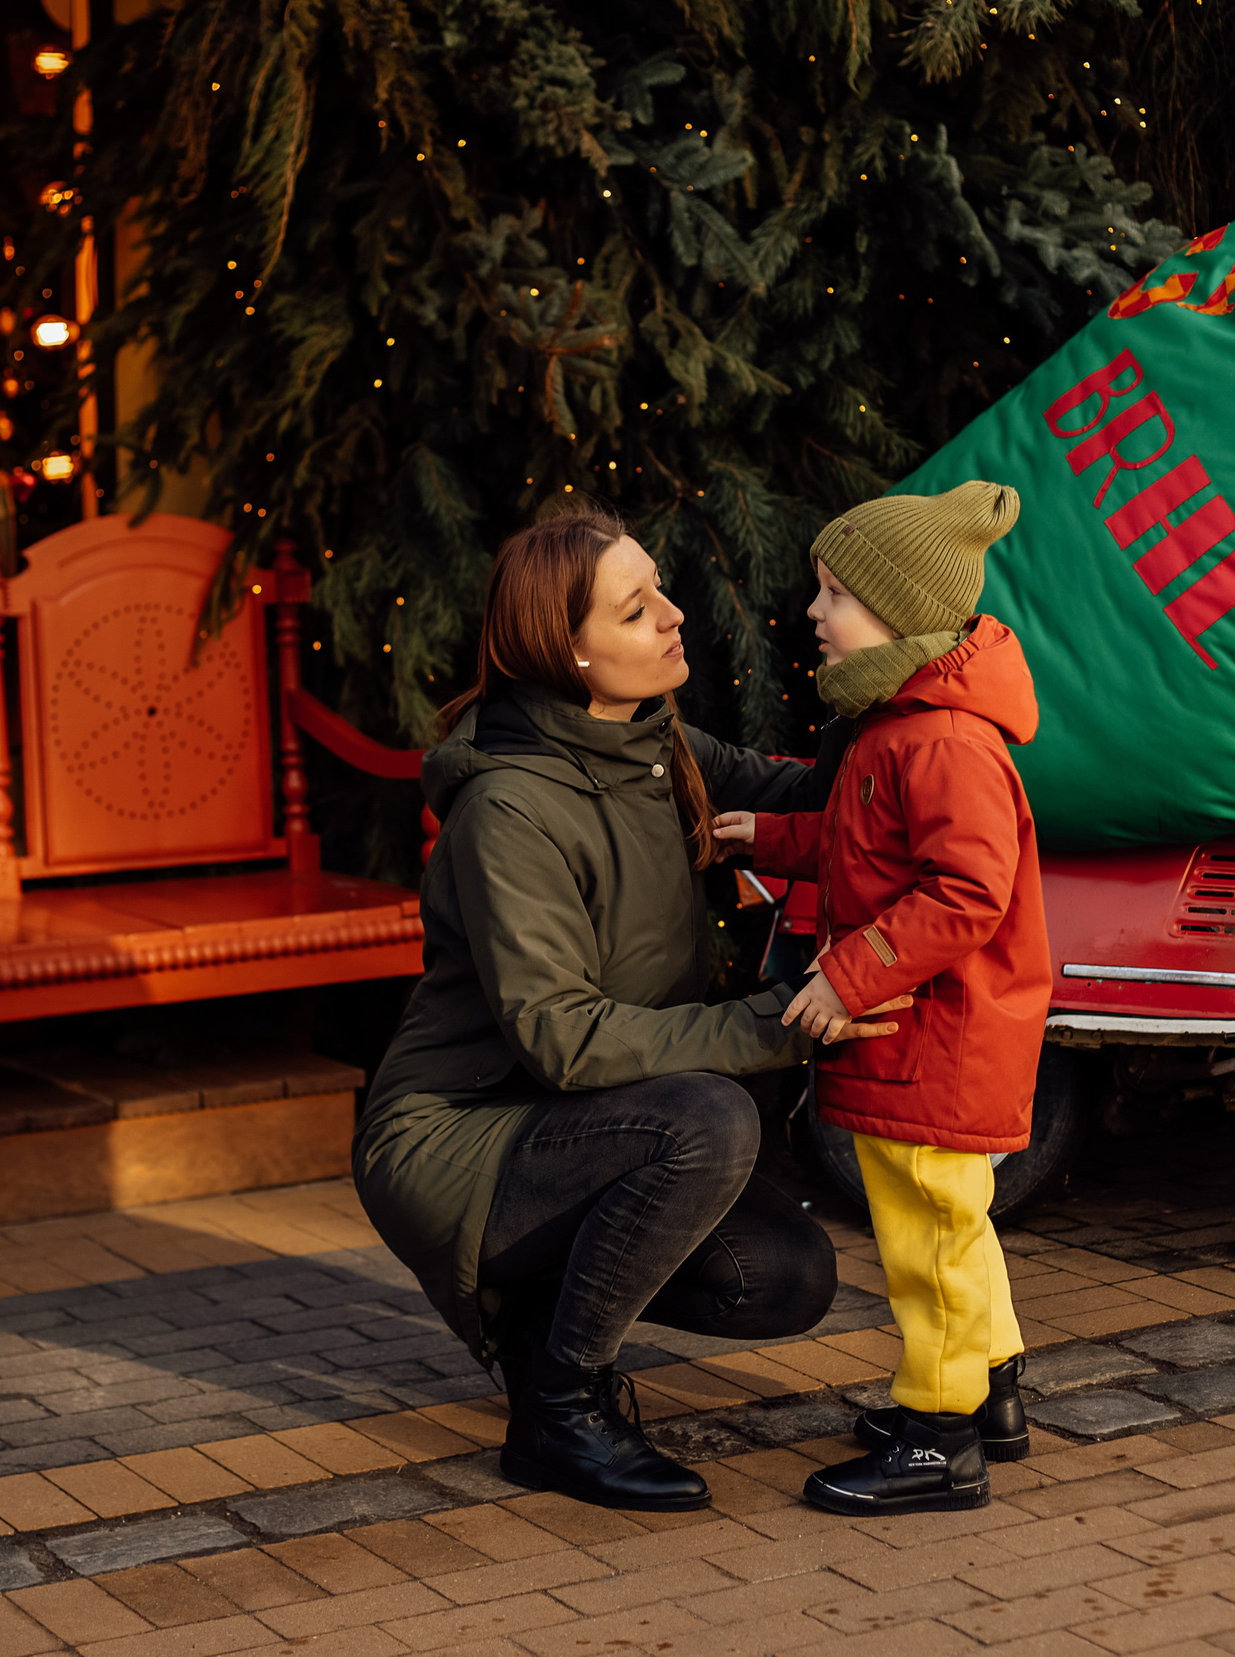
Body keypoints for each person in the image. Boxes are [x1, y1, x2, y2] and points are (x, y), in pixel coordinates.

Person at [352, 497, 903, 1515]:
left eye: (661, 591)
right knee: (707, 1120)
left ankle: (534, 1321)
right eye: (636, 607)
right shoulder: (509, 807)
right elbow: (561, 1038)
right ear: (568, 652)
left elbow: (807, 795)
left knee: (782, 1276)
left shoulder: (652, 741)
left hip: (583, 1118)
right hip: (460, 1137)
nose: (673, 615)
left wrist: (885, 684)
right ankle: (557, 1413)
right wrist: (780, 1017)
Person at [717, 481, 1051, 1517]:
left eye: (835, 594)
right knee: (955, 1222)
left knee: (928, 1240)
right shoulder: (898, 724)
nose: (814, 612)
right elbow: (866, 837)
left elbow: (966, 892)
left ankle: (937, 1440)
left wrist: (847, 972)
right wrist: (770, 836)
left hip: (935, 1036)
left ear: (900, 613)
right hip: (927, 1034)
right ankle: (988, 1393)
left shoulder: (939, 738)